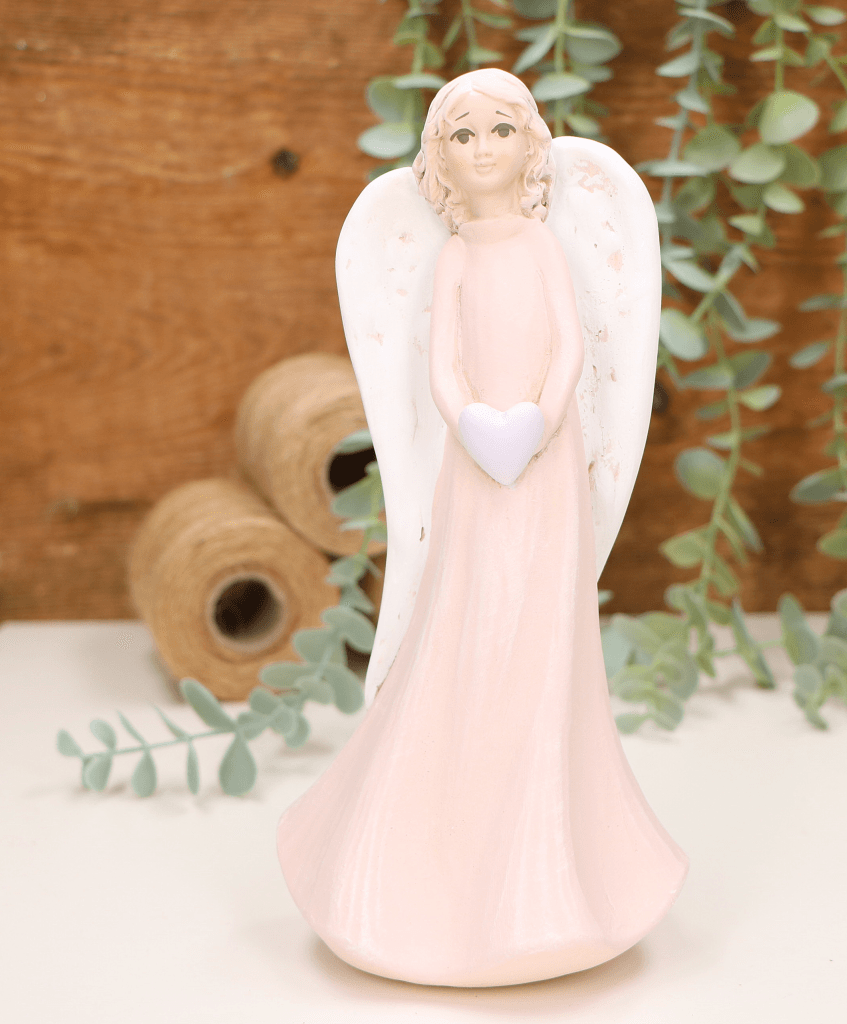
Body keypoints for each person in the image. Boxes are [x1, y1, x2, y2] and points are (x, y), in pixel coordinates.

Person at [277, 69, 687, 988]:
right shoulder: (455, 256)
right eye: (462, 135)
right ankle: (427, 855)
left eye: (499, 129)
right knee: (467, 620)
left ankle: (548, 869)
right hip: (476, 461)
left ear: (529, 141)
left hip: (542, 456)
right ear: (440, 159)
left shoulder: (540, 245)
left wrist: (539, 420)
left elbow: (571, 344)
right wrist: (471, 422)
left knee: (542, 633)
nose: (483, 149)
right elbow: (442, 362)